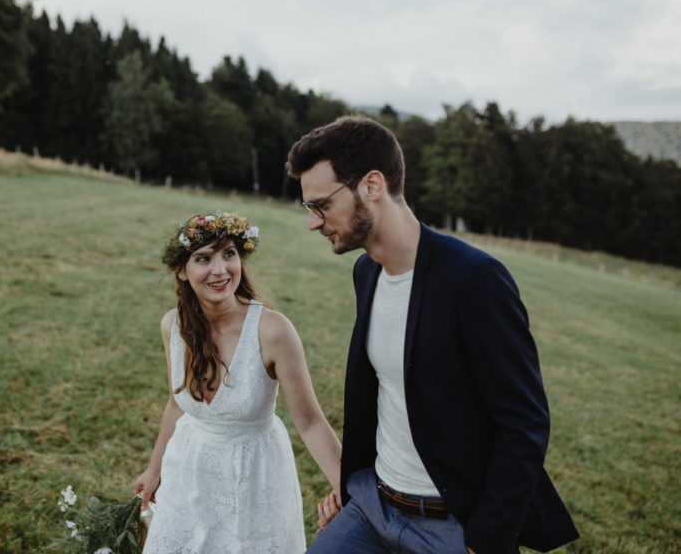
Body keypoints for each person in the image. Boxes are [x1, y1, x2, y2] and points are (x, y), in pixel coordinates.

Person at [286, 116, 579, 554]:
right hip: (373, 508)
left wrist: (486, 540)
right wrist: (352, 494)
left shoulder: (474, 279)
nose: (314, 222)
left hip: (453, 527)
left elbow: (524, 422)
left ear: (371, 185)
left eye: (322, 205)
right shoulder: (366, 272)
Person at [133, 212, 342, 554]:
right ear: (182, 271)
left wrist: (351, 493)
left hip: (254, 477)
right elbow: (176, 403)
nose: (220, 270)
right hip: (189, 467)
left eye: (229, 254)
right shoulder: (172, 326)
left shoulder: (273, 331)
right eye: (204, 258)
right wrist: (154, 469)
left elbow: (312, 422)